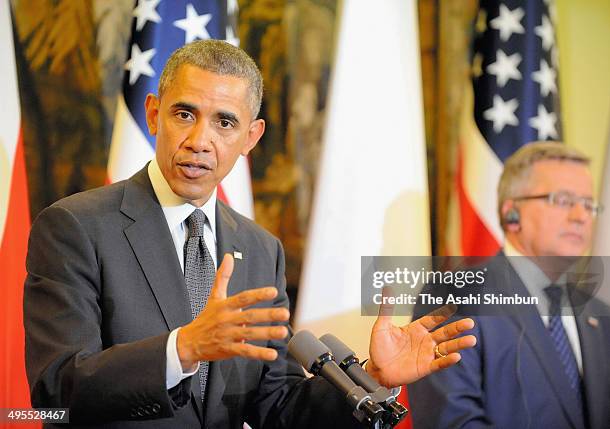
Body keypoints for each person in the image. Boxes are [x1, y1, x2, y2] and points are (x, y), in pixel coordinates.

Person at [24, 40, 476, 428]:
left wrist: (373, 378)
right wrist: (183, 348)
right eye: (185, 113)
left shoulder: (260, 250)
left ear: (251, 137)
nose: (200, 139)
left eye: (224, 122)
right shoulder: (76, 227)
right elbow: (56, 393)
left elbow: (277, 406)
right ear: (154, 114)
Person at [408, 142, 610, 429]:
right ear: (512, 215)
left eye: (589, 205)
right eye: (563, 200)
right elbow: (452, 421)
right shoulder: (453, 296)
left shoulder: (601, 316)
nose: (581, 217)